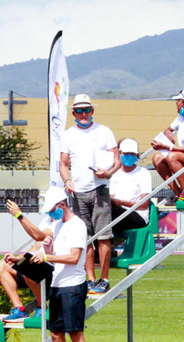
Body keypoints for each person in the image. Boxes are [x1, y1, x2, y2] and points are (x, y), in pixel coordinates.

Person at [30, 188, 89, 342]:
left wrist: (47, 258)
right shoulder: (57, 225)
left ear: (62, 205)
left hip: (73, 285)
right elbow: (50, 252)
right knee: (56, 334)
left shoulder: (77, 225)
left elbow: (73, 257)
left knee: (75, 333)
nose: (50, 215)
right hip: (57, 284)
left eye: (53, 210)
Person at [60, 94, 120, 296]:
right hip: (78, 192)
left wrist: (108, 173)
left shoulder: (104, 131)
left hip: (100, 189)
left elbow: (117, 160)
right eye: (79, 110)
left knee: (103, 236)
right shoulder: (68, 135)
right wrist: (67, 181)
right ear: (74, 113)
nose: (83, 114)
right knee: (84, 238)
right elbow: (63, 164)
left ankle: (104, 279)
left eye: (87, 110)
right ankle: (90, 279)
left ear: (92, 111)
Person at [0, 199, 55, 322]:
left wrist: (19, 215)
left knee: (29, 268)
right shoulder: (46, 221)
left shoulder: (60, 223)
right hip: (36, 267)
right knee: (1, 266)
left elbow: (39, 235)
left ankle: (41, 307)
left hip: (51, 269)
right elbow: (36, 247)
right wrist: (17, 259)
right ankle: (19, 309)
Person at [109, 139, 152, 235]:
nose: (129, 156)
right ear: (120, 153)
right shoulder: (114, 173)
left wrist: (121, 203)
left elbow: (144, 204)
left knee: (109, 214)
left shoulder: (143, 173)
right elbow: (111, 197)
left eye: (132, 154)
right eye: (126, 153)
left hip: (138, 215)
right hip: (118, 212)